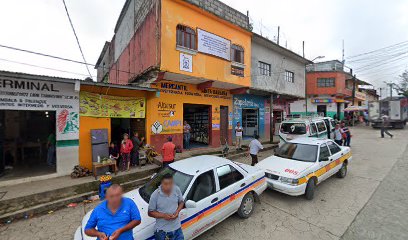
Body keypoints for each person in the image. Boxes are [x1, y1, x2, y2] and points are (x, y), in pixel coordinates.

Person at [148, 174, 184, 240]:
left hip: (177, 228)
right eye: (165, 184)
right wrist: (164, 215)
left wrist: (177, 211)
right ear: (161, 183)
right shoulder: (155, 195)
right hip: (162, 232)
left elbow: (181, 202)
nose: (168, 186)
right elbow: (150, 212)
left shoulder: (176, 189)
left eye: (170, 183)